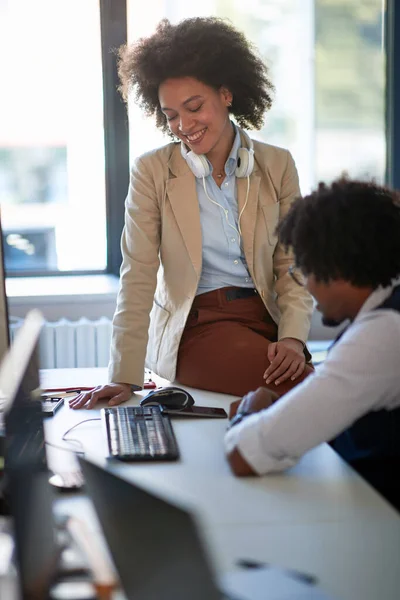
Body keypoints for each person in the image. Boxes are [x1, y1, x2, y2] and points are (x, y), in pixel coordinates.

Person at [70, 17, 314, 411]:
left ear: (227, 94)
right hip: (200, 327)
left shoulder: (277, 165)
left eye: (194, 107)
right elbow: (138, 273)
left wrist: (292, 338)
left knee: (315, 394)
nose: (183, 125)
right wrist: (124, 376)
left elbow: (291, 265)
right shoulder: (152, 172)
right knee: (311, 394)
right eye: (170, 115)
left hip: (267, 322)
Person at [225, 178, 400, 511]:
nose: (304, 284)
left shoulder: (382, 335)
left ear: (335, 269)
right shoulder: (388, 306)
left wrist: (251, 410)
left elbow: (242, 455)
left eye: (302, 270)